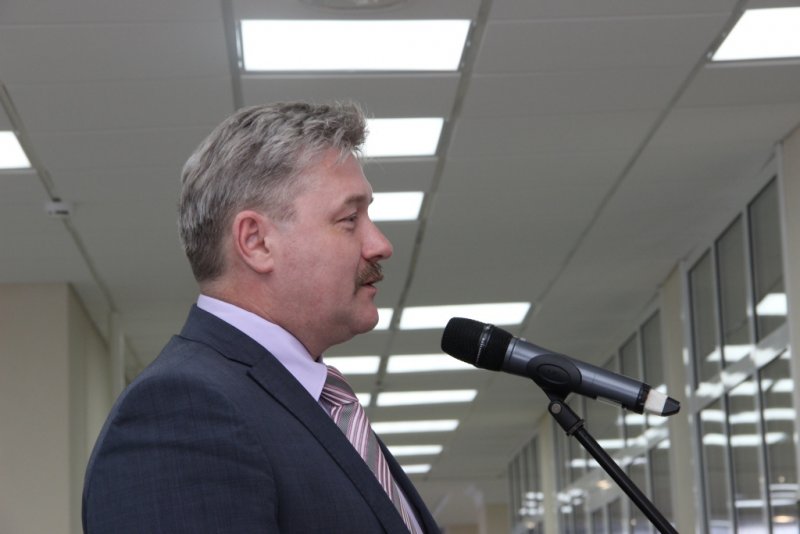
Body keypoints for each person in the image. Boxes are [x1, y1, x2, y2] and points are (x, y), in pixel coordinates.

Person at [82, 102, 440, 533]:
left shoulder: (306, 402)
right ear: (256, 242)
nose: (381, 244)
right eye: (350, 219)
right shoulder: (183, 413)